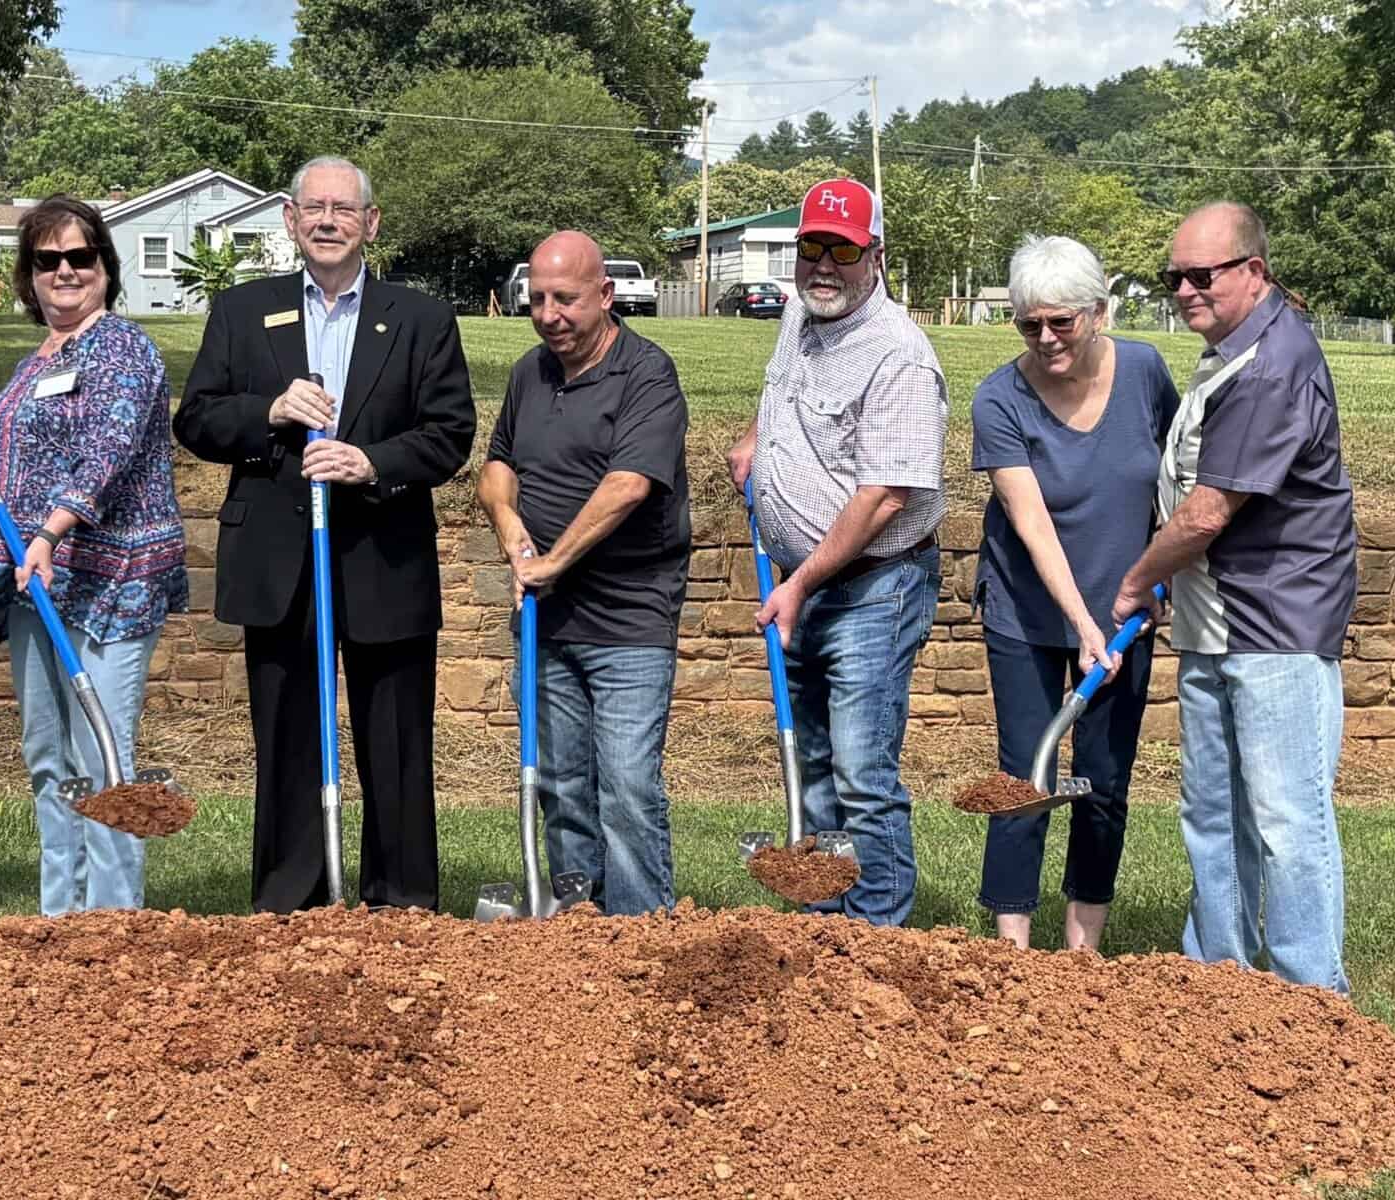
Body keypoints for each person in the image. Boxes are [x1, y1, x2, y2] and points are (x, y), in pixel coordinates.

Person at [175, 156, 476, 912]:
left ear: (370, 223)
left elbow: (449, 434)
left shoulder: (420, 318)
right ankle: (290, 894)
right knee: (285, 736)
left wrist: (371, 462)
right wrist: (268, 414)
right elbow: (198, 418)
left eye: (344, 209)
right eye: (314, 208)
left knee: (396, 736)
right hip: (279, 561)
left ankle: (400, 897)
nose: (328, 221)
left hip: (383, 551)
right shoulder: (243, 311)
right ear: (289, 219)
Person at [1111, 202, 1356, 993]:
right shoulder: (1229, 349)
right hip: (1217, 622)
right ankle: (1217, 985)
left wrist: (1135, 580)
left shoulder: (1271, 365)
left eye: (1200, 274)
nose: (1183, 289)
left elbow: (1210, 510)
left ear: (1252, 271)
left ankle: (1311, 998)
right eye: (1172, 276)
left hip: (1275, 628)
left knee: (1287, 824)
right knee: (1211, 815)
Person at [0, 197, 188, 915]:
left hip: (108, 582)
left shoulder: (123, 348)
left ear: (105, 267)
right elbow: (2, 476)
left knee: (103, 758)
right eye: (48, 261)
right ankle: (57, 917)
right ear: (28, 276)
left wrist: (48, 535)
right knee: (50, 760)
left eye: (81, 257)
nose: (65, 271)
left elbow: (106, 451)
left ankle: (111, 923)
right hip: (33, 589)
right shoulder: (29, 365)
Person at [724, 177, 947, 927]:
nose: (822, 264)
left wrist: (800, 583)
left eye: (841, 250)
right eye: (810, 246)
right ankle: (825, 927)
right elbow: (778, 391)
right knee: (815, 768)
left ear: (875, 255)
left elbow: (884, 496)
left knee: (860, 774)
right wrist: (757, 441)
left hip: (871, 587)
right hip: (810, 581)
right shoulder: (800, 312)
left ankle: (878, 935)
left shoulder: (898, 357)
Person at [971, 235, 1180, 952]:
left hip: (1124, 616)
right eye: (1029, 323)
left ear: (1098, 311)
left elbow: (1175, 477)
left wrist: (1161, 574)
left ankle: (1081, 951)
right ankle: (1010, 949)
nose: (1046, 338)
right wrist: (1079, 622)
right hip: (1027, 615)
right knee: (1024, 776)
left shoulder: (1146, 371)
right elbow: (1028, 520)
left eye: (1062, 321)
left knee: (1104, 779)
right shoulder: (998, 397)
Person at [477, 231, 690, 916]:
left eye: (564, 299)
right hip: (546, 619)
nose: (548, 314)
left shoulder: (647, 375)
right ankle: (575, 918)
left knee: (626, 785)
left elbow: (628, 484)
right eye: (536, 299)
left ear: (604, 295)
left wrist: (552, 561)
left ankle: (638, 930)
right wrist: (512, 534)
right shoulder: (528, 373)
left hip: (629, 617)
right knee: (562, 783)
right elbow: (497, 466)